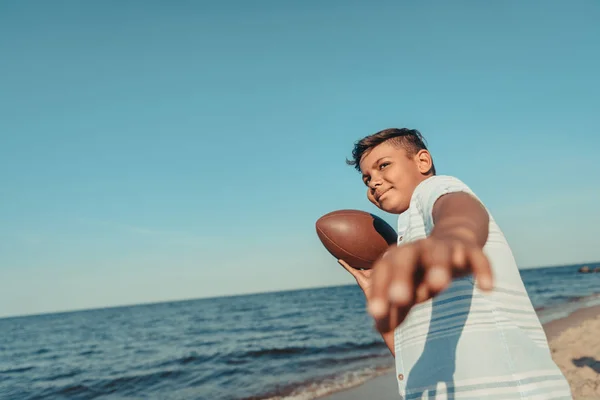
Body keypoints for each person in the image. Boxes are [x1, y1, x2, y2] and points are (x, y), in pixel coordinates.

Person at [337, 128, 572, 399]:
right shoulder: (412, 239)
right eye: (367, 178)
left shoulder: (433, 190)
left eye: (384, 166)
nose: (374, 182)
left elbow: (459, 207)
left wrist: (455, 235)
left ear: (422, 162)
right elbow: (409, 357)